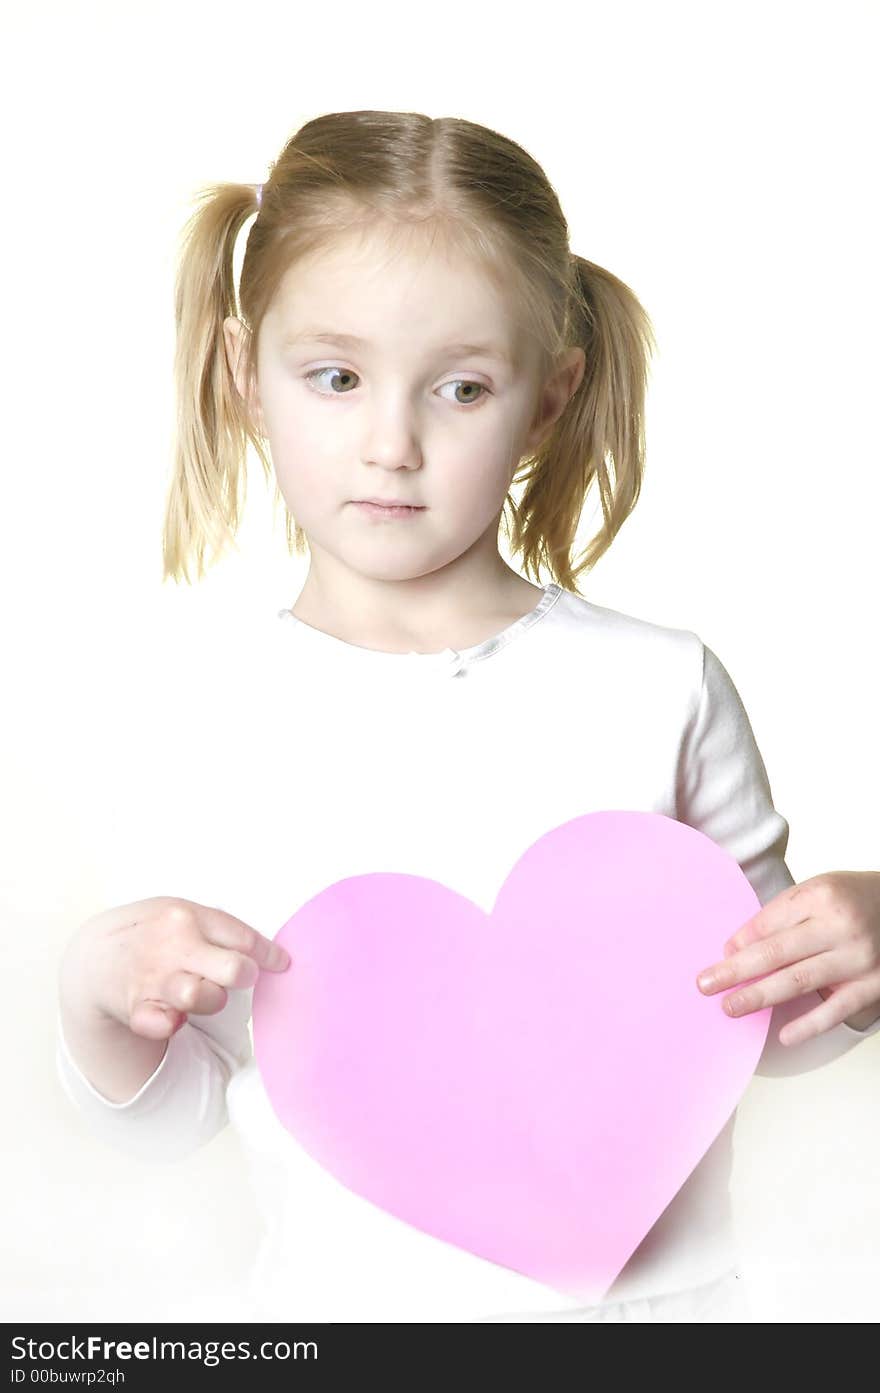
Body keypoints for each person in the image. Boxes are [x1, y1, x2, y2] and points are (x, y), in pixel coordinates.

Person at [55, 110, 880, 1324]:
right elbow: (181, 1113)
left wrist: (860, 950)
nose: (390, 444)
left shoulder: (659, 686)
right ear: (244, 376)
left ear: (547, 398)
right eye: (334, 377)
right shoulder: (201, 720)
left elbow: (746, 1031)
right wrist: (92, 992)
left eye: (459, 388)